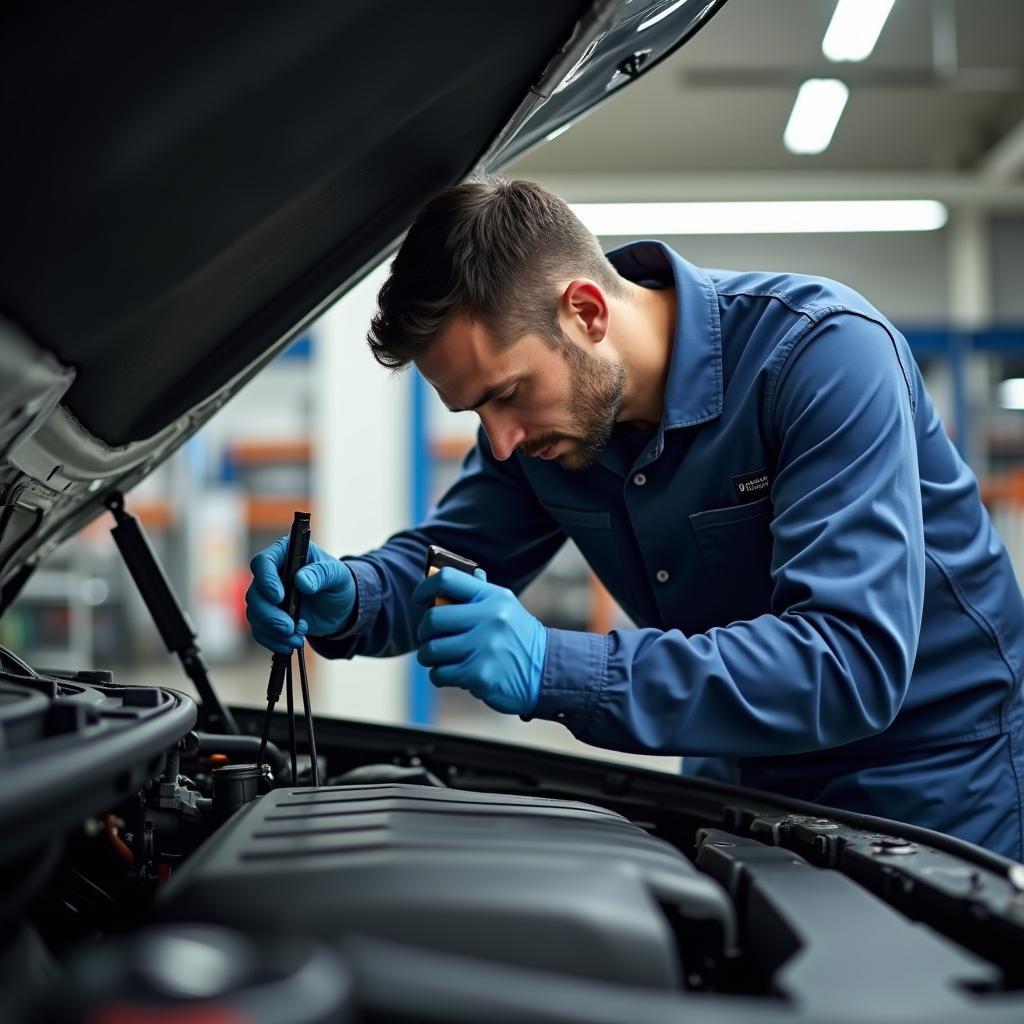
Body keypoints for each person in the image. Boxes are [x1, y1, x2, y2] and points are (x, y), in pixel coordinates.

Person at [246, 178, 1024, 859]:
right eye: (473, 410)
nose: (500, 440)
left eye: (506, 393)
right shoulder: (549, 432)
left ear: (585, 310)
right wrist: (352, 594)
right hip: (738, 763)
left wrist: (559, 669)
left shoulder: (822, 356)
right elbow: (447, 559)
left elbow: (849, 663)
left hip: (931, 778)